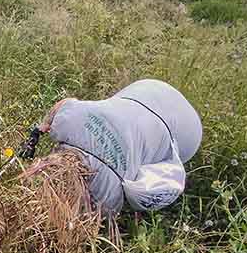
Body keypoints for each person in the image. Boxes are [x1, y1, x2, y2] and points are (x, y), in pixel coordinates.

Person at [32, 79, 202, 216]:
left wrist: (37, 132)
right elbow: (63, 105)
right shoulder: (110, 197)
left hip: (171, 116)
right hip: (152, 95)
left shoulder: (69, 121)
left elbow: (61, 106)